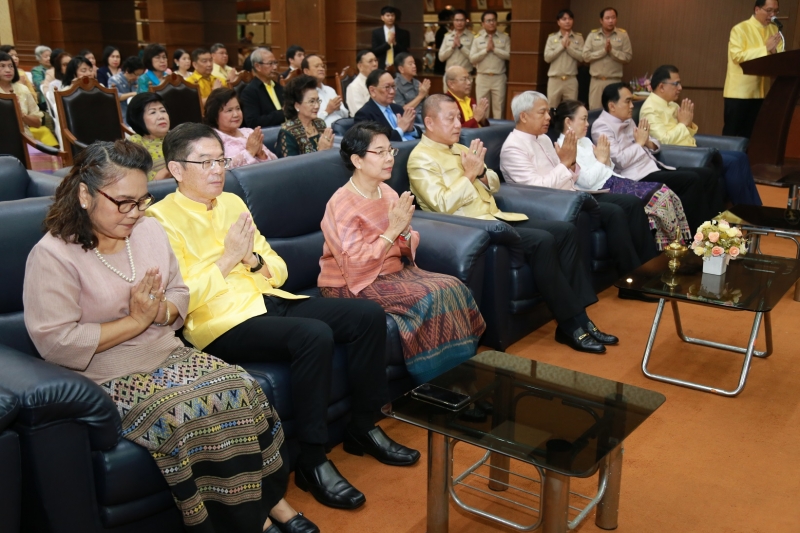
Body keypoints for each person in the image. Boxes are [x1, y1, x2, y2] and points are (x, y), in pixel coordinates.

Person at [23, 139, 318, 533]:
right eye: (123, 202)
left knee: (242, 386)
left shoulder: (148, 231)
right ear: (84, 194)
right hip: (106, 372)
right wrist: (135, 321)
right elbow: (57, 343)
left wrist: (161, 312)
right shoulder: (53, 255)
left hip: (167, 350)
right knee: (183, 413)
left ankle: (270, 502)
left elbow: (180, 292)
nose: (135, 213)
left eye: (142, 200)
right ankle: (253, 521)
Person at [147, 122, 420, 511]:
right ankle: (312, 458)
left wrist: (253, 259)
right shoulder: (160, 221)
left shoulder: (233, 203)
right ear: (176, 169)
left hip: (269, 297)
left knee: (366, 316)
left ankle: (364, 425)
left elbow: (278, 266)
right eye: (204, 162)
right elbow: (182, 298)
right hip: (220, 321)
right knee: (313, 335)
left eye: (220, 160)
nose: (217, 170)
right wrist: (227, 260)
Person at [408, 94, 617, 354]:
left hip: (496, 218)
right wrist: (470, 173)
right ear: (429, 121)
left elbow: (495, 184)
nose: (458, 125)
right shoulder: (421, 159)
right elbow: (441, 204)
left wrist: (481, 171)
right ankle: (572, 324)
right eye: (450, 119)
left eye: (458, 118)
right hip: (471, 229)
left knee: (564, 230)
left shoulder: (460, 148)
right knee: (542, 240)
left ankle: (579, 318)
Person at [320, 121, 486, 382]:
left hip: (390, 272)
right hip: (349, 284)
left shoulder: (386, 191)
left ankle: (462, 376)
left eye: (391, 151)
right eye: (380, 152)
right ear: (358, 160)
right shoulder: (340, 204)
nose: (389, 159)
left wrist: (404, 231)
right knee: (428, 296)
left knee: (453, 286)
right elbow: (354, 264)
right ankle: (438, 384)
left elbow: (406, 243)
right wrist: (392, 231)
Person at [500, 91, 655, 277]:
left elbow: (569, 176)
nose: (549, 117)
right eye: (542, 113)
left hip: (572, 193)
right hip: (552, 203)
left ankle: (650, 267)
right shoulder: (513, 147)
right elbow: (537, 188)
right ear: (523, 116)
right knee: (615, 212)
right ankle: (633, 276)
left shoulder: (543, 138)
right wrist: (565, 164)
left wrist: (571, 164)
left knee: (632, 203)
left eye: (549, 112)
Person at [553, 99, 692, 250]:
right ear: (568, 122)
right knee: (660, 199)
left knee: (665, 191)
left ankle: (676, 248)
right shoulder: (563, 148)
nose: (587, 124)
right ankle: (669, 251)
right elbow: (587, 182)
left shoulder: (585, 141)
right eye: (584, 119)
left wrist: (604, 160)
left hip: (615, 179)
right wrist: (601, 160)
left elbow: (608, 167)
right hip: (602, 189)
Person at [591, 83, 723, 232]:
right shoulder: (601, 127)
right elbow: (619, 161)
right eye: (627, 101)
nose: (632, 106)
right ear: (612, 106)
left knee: (708, 174)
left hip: (653, 166)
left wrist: (646, 142)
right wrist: (640, 143)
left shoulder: (626, 119)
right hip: (637, 177)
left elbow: (655, 142)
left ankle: (717, 229)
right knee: (691, 180)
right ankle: (697, 235)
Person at [641, 64, 762, 206]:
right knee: (733, 163)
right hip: (679, 156)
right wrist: (683, 124)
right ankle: (747, 211)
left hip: (691, 149)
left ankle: (756, 208)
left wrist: (688, 124)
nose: (680, 88)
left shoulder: (672, 105)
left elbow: (688, 134)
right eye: (676, 84)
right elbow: (663, 141)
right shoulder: (650, 109)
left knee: (741, 157)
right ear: (661, 87)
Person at [723, 0, 784, 138]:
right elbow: (737, 56)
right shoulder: (740, 29)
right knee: (732, 136)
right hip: (739, 92)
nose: (773, 15)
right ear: (757, 9)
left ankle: (747, 160)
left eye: (776, 11)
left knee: (752, 136)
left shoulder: (774, 30)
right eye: (769, 11)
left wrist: (774, 52)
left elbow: (780, 57)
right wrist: (765, 49)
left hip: (761, 92)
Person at [205, 87, 277, 167]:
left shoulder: (249, 132)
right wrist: (249, 153)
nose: (236, 114)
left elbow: (276, 162)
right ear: (214, 115)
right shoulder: (211, 140)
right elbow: (218, 166)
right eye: (229, 110)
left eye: (238, 109)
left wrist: (261, 154)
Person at [0, 52, 58, 147]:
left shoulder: (23, 89)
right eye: (2, 66)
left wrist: (22, 116)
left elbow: (37, 123)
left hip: (23, 139)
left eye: (11, 66)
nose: (8, 70)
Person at [582, 7, 632, 110]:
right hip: (597, 81)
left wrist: (612, 51)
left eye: (613, 18)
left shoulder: (623, 35)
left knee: (614, 111)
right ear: (601, 20)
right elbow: (585, 57)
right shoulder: (593, 35)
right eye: (607, 18)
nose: (611, 21)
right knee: (594, 111)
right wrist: (604, 51)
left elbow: (628, 57)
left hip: (614, 81)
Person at [353, 69, 420, 143]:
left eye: (393, 86)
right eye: (387, 87)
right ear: (372, 91)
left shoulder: (397, 108)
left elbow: (419, 135)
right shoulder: (364, 115)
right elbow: (374, 143)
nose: (392, 91)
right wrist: (400, 129)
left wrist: (411, 129)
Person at [277, 75, 334, 157]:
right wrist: (321, 152)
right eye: (311, 101)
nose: (317, 106)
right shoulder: (288, 132)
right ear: (297, 105)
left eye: (318, 100)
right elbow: (290, 167)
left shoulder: (320, 123)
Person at [469, 10, 510, 120]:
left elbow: (509, 56)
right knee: (482, 109)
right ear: (482, 24)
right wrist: (486, 50)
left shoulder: (504, 37)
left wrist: (495, 49)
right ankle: (482, 132)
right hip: (482, 77)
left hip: (499, 77)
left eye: (493, 20)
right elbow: (472, 58)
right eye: (488, 21)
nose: (491, 23)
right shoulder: (477, 39)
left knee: (499, 109)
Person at [544, 9, 584, 108]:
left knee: (571, 110)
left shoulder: (578, 38)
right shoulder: (552, 38)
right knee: (552, 109)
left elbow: (582, 58)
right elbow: (547, 58)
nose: (567, 21)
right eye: (564, 19)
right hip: (555, 79)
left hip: (571, 80)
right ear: (558, 22)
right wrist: (561, 46)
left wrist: (569, 48)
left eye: (570, 19)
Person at [126, 93, 171, 181]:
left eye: (163, 111)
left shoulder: (178, 137)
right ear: (138, 119)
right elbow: (149, 181)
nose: (161, 116)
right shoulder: (134, 145)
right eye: (153, 112)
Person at [240, 47, 285, 128]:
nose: (275, 67)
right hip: (266, 134)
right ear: (257, 66)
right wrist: (281, 113)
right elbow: (253, 122)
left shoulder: (278, 87)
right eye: (270, 63)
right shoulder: (250, 92)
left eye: (275, 63)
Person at [302, 53, 350, 128]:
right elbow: (308, 123)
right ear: (306, 71)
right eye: (317, 66)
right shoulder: (304, 93)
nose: (321, 69)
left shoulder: (330, 90)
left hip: (342, 128)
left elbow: (346, 114)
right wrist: (327, 111)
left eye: (322, 66)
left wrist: (338, 108)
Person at [108, 56, 145, 121]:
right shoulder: (113, 80)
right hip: (121, 116)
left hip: (137, 114)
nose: (138, 77)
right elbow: (116, 96)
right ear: (127, 70)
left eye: (140, 75)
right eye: (136, 74)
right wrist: (134, 93)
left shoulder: (137, 80)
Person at [346, 50, 378, 115]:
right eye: (370, 61)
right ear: (360, 66)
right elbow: (359, 114)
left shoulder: (380, 82)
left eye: (376, 60)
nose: (375, 64)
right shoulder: (354, 87)